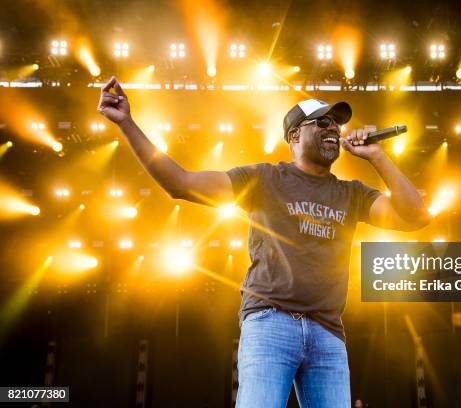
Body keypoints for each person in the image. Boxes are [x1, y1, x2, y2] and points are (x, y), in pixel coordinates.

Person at [98, 77, 431, 407]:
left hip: (328, 332)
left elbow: (416, 216)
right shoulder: (263, 179)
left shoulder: (352, 193)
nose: (335, 130)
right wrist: (127, 123)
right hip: (270, 323)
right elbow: (180, 183)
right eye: (324, 122)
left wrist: (377, 157)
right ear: (295, 134)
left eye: (338, 125)